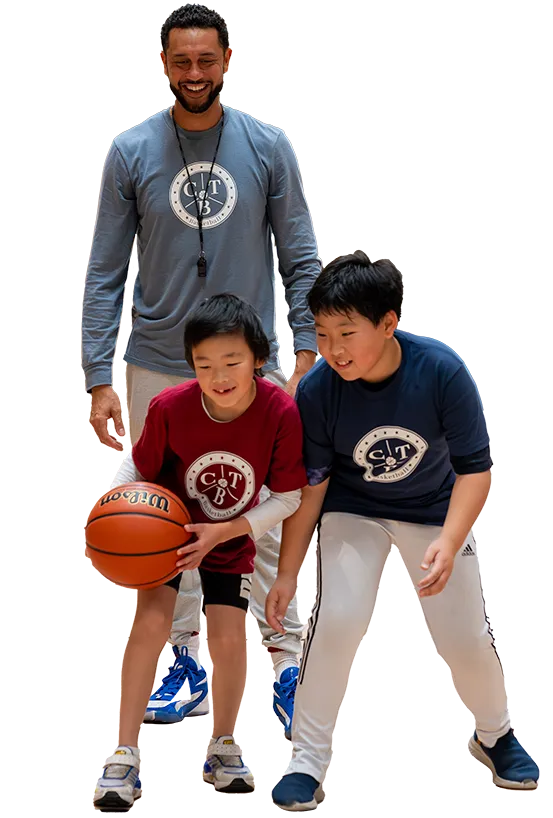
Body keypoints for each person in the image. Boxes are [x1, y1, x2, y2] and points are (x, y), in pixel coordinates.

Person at [82, 3, 319, 736]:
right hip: (154, 361)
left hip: (252, 366)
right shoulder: (131, 153)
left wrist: (304, 352)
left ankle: (284, 664)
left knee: (268, 515)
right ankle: (183, 660)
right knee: (164, 515)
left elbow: (300, 256)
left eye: (205, 60)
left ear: (227, 60)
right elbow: (105, 271)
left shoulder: (268, 146)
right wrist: (96, 376)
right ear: (163, 63)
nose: (193, 73)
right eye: (180, 61)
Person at [266, 253, 541, 811]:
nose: (334, 348)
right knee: (338, 618)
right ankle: (306, 760)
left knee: (464, 633)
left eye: (347, 332)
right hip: (353, 507)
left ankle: (497, 733)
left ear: (388, 324)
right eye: (322, 334)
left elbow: (475, 469)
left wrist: (449, 538)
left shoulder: (440, 370)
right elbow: (314, 488)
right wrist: (288, 573)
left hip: (435, 508)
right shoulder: (318, 389)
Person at [92, 294, 308, 809]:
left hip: (228, 532)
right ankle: (124, 754)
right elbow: (138, 471)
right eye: (205, 364)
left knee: (230, 639)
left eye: (232, 361)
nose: (219, 374)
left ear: (258, 358)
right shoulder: (171, 407)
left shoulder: (280, 411)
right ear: (190, 366)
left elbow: (288, 498)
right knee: (150, 627)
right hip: (165, 532)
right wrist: (115, 511)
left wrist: (229, 530)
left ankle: (224, 744)